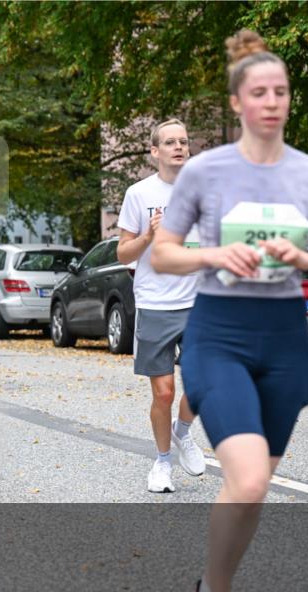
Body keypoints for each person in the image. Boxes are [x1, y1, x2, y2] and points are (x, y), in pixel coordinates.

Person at [150, 30, 308, 592]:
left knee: (256, 487)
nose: (271, 102)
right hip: (219, 335)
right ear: (239, 100)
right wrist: (215, 254)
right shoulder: (208, 171)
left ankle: (212, 591)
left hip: (285, 343)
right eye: (258, 92)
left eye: (281, 92)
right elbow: (164, 253)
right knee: (243, 480)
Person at [116, 118, 206, 492]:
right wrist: (149, 236)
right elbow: (124, 253)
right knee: (164, 392)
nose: (179, 147)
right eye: (170, 142)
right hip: (155, 304)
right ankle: (163, 463)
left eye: (184, 141)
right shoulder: (139, 194)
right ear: (155, 151)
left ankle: (183, 432)